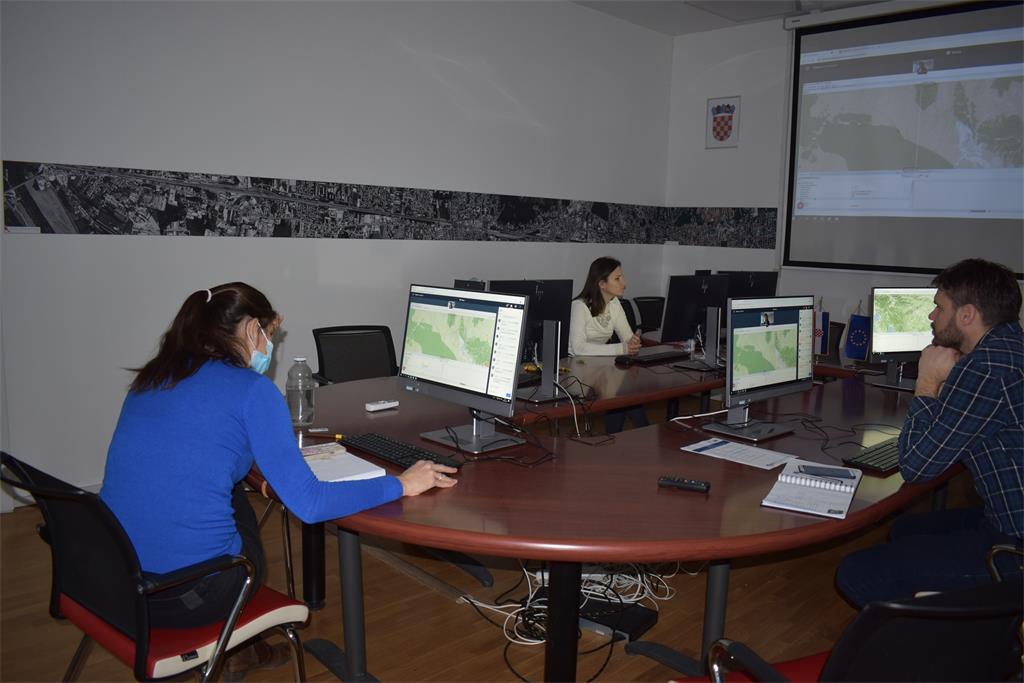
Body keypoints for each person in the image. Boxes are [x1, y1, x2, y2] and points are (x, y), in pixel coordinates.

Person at [100, 282, 457, 673]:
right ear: (251, 329)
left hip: (114, 581)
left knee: (231, 493)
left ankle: (242, 651)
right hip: (189, 596)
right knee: (245, 515)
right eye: (269, 334)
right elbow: (311, 504)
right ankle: (236, 642)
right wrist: (403, 484)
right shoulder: (252, 391)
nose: (271, 346)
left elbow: (205, 453)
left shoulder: (154, 378)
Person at [836, 259, 1022, 607]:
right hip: (1007, 517)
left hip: (1014, 540)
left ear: (967, 315)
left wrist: (927, 382)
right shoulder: (1009, 348)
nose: (931, 317)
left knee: (858, 572)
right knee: (907, 530)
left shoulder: (984, 369)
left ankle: (930, 648)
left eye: (939, 307)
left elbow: (918, 468)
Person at [568, 257, 648, 433]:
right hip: (578, 370)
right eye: (618, 278)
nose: (624, 283)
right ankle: (640, 434)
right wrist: (622, 348)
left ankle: (622, 437)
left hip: (603, 365)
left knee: (624, 395)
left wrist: (633, 342)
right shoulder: (579, 306)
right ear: (602, 283)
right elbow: (578, 348)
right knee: (620, 396)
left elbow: (627, 339)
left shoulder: (614, 304)